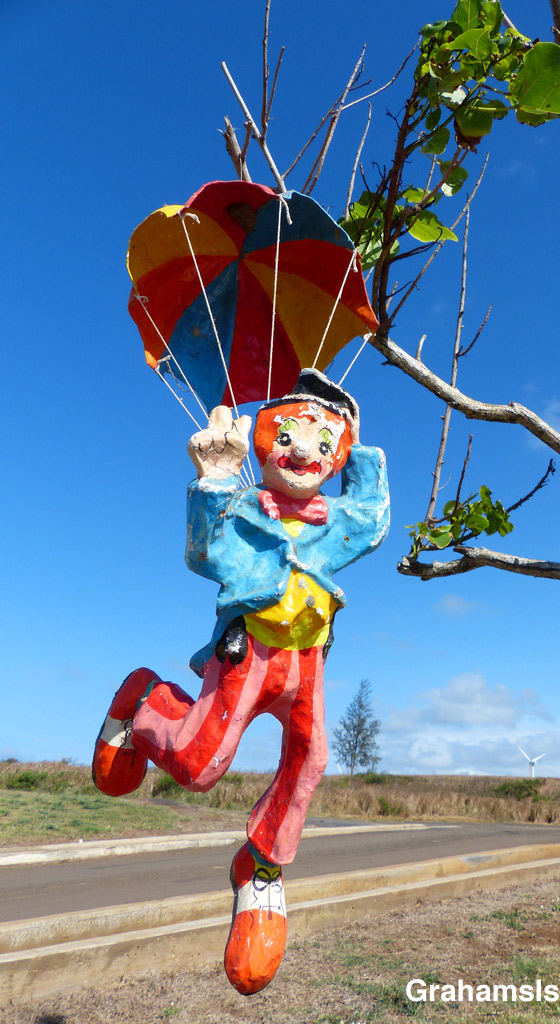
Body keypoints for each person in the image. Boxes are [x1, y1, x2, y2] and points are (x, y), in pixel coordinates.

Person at [92, 368, 389, 994]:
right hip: (247, 655)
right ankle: (144, 699)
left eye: (322, 439)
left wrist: (358, 443)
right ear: (260, 440)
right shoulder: (245, 510)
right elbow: (204, 552)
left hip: (308, 662)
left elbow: (372, 514)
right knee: (200, 767)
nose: (304, 450)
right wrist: (217, 479)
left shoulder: (335, 521)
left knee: (311, 759)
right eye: (287, 435)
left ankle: (261, 873)